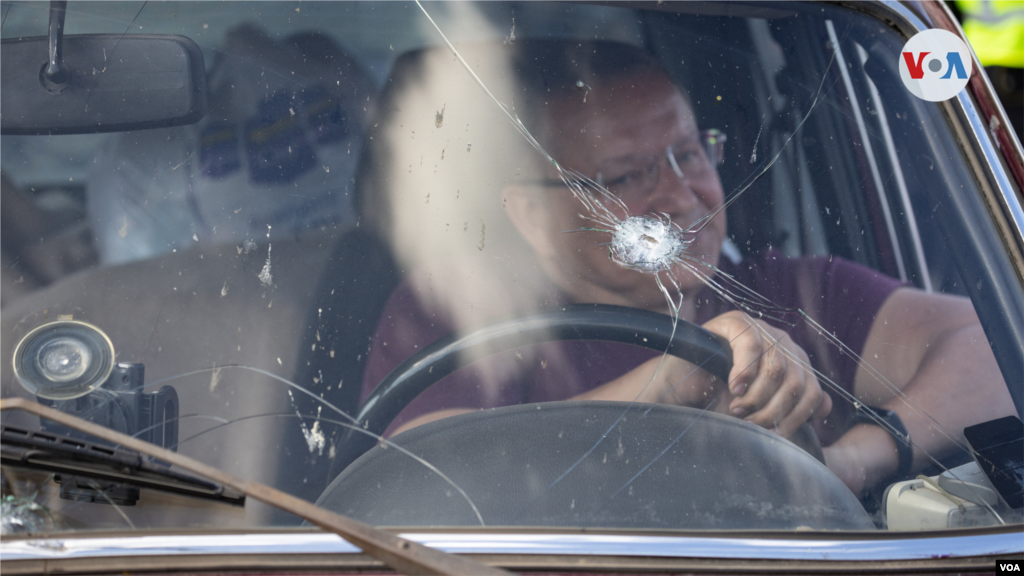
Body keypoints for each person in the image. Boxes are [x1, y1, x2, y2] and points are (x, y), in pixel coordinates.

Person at [360, 41, 1014, 498]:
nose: (681, 197)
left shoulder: (789, 290)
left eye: (690, 154)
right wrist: (669, 383)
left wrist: (859, 457)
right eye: (626, 175)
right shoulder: (461, 304)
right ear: (531, 214)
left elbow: (999, 343)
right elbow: (415, 472)